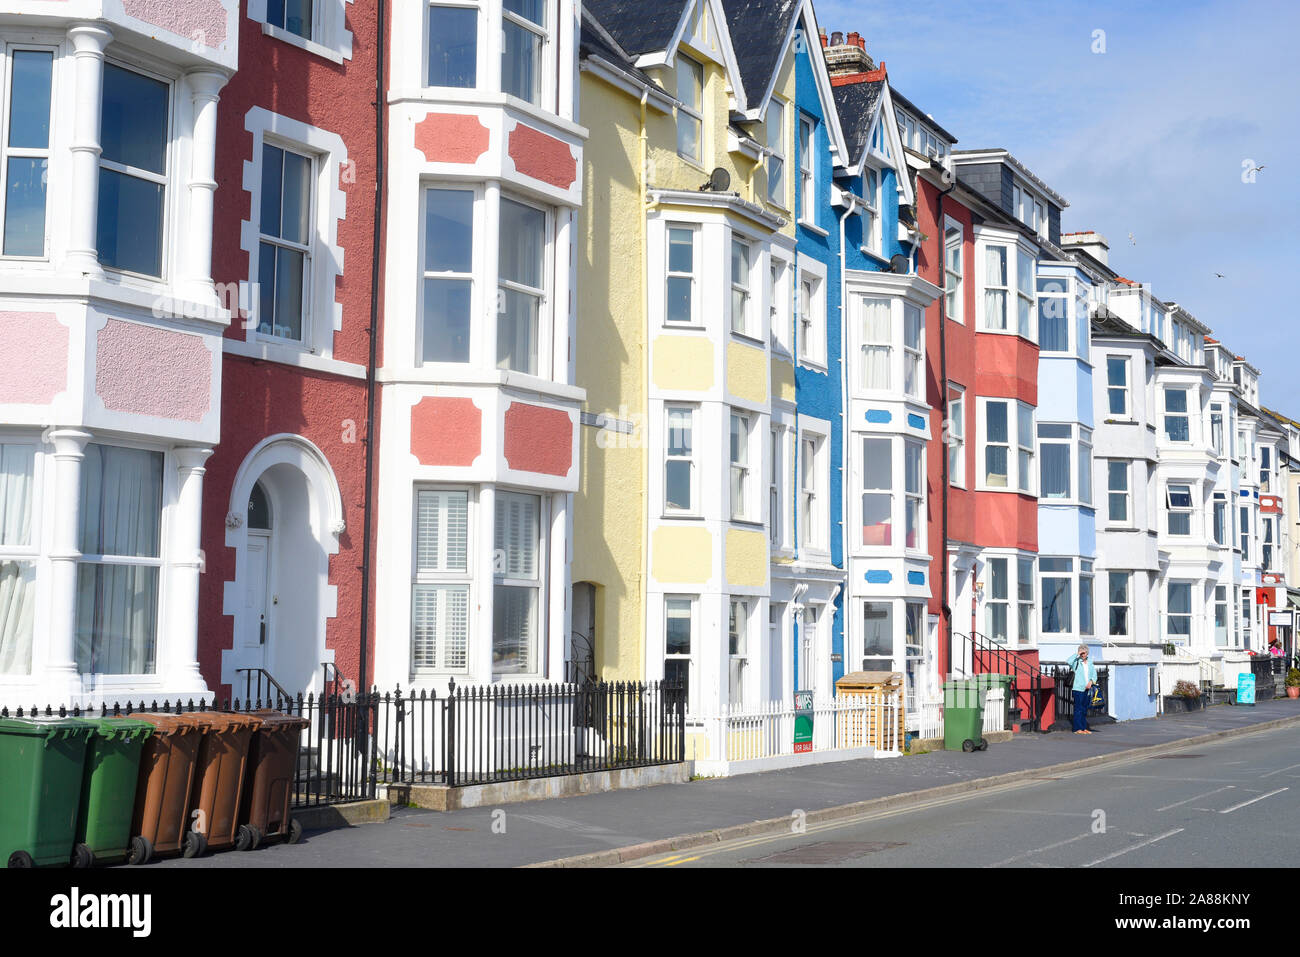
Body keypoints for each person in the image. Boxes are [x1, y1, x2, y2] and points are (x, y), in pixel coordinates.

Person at [1067, 644, 1097, 735]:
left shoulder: (1090, 662)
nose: (1083, 655)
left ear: (1087, 653)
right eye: (1081, 653)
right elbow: (1068, 661)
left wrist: (1091, 682)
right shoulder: (1076, 662)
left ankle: (1083, 728)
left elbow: (1094, 674)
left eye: (1084, 653)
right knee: (1078, 709)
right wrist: (1077, 653)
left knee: (1084, 709)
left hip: (1087, 688)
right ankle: (1077, 728)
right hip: (1078, 689)